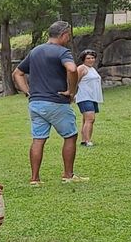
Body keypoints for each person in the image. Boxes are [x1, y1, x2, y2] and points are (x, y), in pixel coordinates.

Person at [12, 21, 88, 185]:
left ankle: (35, 179)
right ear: (63, 35)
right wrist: (71, 90)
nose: (69, 39)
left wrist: (27, 91)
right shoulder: (62, 52)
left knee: (38, 139)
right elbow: (73, 69)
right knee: (70, 136)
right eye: (68, 35)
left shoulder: (35, 51)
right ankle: (68, 175)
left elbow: (17, 73)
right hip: (56, 102)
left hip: (36, 103)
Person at [75, 48, 103, 146]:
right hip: (84, 97)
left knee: (86, 119)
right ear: (83, 59)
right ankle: (87, 141)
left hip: (93, 97)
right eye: (88, 58)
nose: (91, 60)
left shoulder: (92, 69)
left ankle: (84, 140)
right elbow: (74, 82)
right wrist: (72, 94)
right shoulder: (81, 68)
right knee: (90, 119)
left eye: (92, 58)